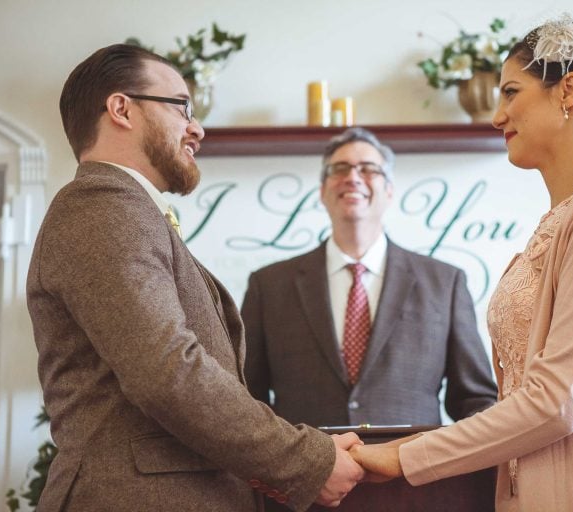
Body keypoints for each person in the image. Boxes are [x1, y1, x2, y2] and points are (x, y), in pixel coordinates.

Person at [349, 15, 573, 511]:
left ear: (567, 89)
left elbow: (555, 402)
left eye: (511, 92)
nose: (498, 116)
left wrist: (402, 456)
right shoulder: (564, 219)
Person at [26, 44, 364, 512]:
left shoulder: (127, 209)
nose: (197, 127)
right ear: (121, 108)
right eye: (182, 106)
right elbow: (169, 370)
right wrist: (303, 461)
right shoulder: (102, 205)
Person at [241, 127, 497, 430]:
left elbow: (476, 401)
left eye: (368, 169)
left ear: (389, 191)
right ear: (322, 191)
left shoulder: (445, 283)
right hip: (307, 473)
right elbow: (246, 398)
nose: (353, 177)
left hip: (416, 473)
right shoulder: (268, 286)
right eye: (340, 169)